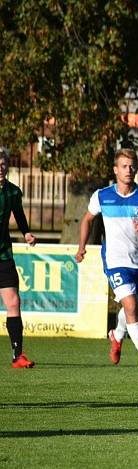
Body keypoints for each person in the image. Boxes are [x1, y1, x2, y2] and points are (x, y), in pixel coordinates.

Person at [75, 148, 138, 375]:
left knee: (131, 307)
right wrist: (82, 247)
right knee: (131, 306)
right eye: (124, 166)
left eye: (132, 166)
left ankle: (117, 334)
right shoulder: (102, 195)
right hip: (114, 260)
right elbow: (87, 220)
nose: (128, 170)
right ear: (115, 170)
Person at [0, 148, 37, 369]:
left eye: (3, 163)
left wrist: (26, 233)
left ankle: (17, 355)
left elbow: (19, 215)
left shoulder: (13, 192)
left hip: (3, 254)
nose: (0, 167)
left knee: (13, 301)